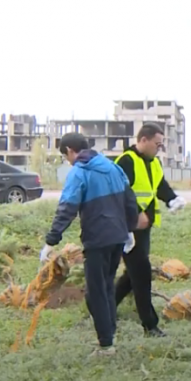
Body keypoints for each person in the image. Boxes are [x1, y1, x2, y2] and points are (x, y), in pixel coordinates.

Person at [41, 132, 139, 357]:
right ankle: (110, 335)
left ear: (69, 150)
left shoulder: (79, 172)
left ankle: (106, 345)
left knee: (95, 293)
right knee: (106, 286)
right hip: (117, 237)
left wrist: (51, 241)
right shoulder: (113, 167)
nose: (68, 161)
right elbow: (130, 200)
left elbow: (67, 208)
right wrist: (129, 229)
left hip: (97, 239)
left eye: (65, 156)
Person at [113, 123, 187, 337]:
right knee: (142, 273)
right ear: (143, 140)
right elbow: (119, 193)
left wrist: (172, 199)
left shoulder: (154, 162)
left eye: (161, 145)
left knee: (133, 273)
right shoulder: (126, 161)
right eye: (157, 144)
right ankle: (150, 325)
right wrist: (135, 214)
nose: (159, 148)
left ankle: (104, 306)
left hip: (144, 228)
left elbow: (159, 185)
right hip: (128, 228)